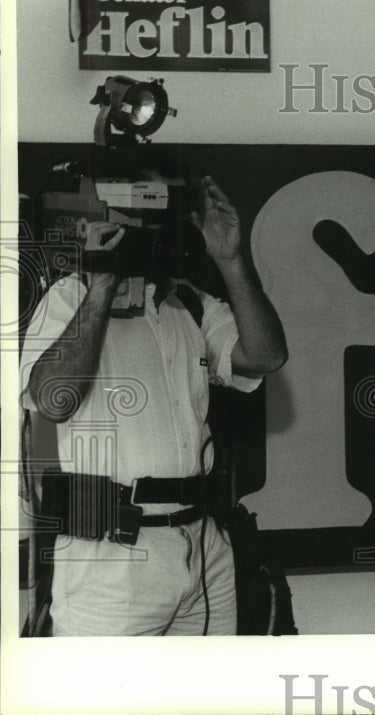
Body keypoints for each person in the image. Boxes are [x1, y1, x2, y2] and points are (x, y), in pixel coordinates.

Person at [20, 164, 287, 636]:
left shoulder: (190, 304)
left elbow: (266, 356)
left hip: (202, 550)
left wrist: (231, 260)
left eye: (164, 221)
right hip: (111, 561)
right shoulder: (70, 297)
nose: (151, 236)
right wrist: (102, 281)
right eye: (138, 221)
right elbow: (52, 401)